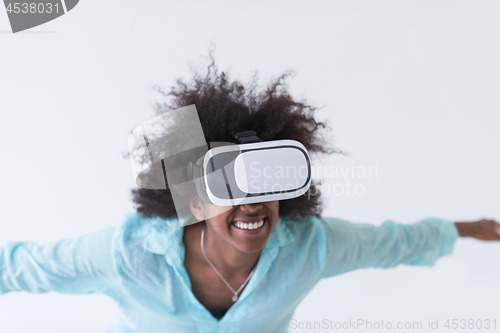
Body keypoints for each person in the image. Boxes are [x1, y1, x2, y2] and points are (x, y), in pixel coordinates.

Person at [1, 59, 499, 333]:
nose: (251, 204)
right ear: (195, 204)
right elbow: (23, 267)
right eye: (228, 187)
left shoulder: (311, 246)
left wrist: (471, 228)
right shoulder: (129, 254)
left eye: (264, 183)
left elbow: (393, 243)